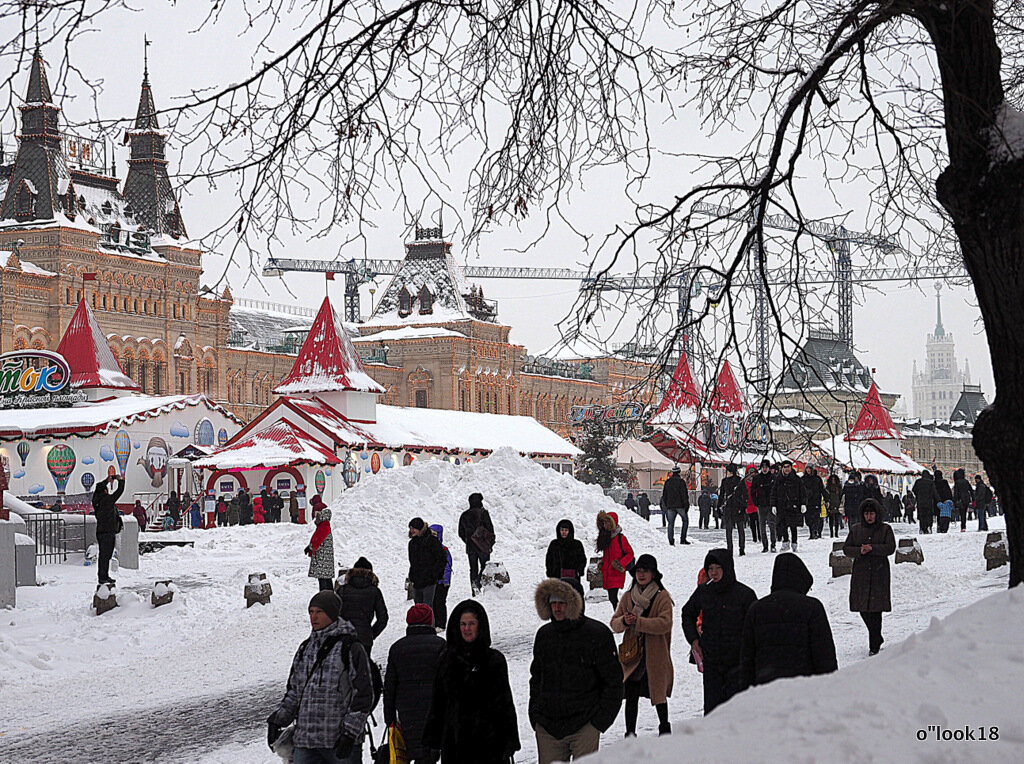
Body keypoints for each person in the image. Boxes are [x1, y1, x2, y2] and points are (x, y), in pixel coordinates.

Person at [267, 591, 374, 764]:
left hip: (338, 741)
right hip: (306, 742)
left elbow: (363, 695)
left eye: (319, 612)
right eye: (311, 612)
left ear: (332, 614)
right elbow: (295, 692)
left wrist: (350, 733)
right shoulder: (305, 649)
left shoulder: (350, 648)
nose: (313, 617)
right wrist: (277, 720)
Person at [530, 578, 623, 762]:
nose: (557, 608)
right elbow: (536, 678)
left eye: (562, 603)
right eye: (553, 603)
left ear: (574, 603)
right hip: (548, 726)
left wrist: (599, 722)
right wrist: (535, 714)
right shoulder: (544, 636)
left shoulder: (596, 634)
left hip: (585, 724)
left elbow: (613, 681)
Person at [423, 600, 520, 763]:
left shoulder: (494, 660)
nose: (467, 629)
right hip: (455, 743)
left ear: (480, 626)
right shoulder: (447, 661)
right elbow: (438, 701)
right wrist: (432, 741)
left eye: (471, 624)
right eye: (463, 624)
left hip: (490, 743)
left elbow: (504, 703)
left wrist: (510, 741)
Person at [739, 553, 837, 689]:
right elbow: (824, 655)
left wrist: (746, 691)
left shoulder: (756, 609)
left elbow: (747, 657)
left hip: (765, 688)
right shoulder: (812, 607)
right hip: (804, 687)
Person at [680, 549, 756, 714]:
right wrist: (694, 640)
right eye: (710, 568)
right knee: (713, 711)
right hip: (712, 661)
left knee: (736, 711)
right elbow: (687, 613)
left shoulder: (744, 594)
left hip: (737, 663)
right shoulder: (704, 591)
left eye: (717, 568)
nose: (713, 573)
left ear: (727, 568)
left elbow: (754, 627)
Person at [610, 554, 674, 737]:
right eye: (638, 571)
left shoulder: (662, 597)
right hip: (633, 654)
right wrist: (624, 620)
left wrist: (638, 622)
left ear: (653, 574)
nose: (641, 574)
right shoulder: (628, 597)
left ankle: (664, 727)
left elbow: (665, 624)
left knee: (658, 693)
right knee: (631, 693)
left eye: (645, 571)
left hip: (656, 653)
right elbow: (614, 624)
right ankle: (630, 732)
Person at [384, 604, 446, 764]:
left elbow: (390, 686)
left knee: (412, 750)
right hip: (433, 710)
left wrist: (389, 717)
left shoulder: (397, 648)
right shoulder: (440, 645)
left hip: (407, 711)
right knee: (429, 754)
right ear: (430, 621)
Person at [843, 499, 896, 656]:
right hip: (862, 572)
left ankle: (874, 643)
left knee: (876, 609)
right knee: (863, 608)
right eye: (866, 514)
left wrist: (873, 548)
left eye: (872, 513)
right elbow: (847, 548)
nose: (869, 517)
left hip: (879, 572)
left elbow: (890, 547)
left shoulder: (885, 529)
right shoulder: (856, 529)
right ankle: (877, 637)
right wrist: (860, 550)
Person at [334, 556, 389, 659]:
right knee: (362, 670)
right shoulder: (374, 591)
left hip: (343, 636)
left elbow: (333, 614)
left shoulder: (342, 590)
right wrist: (371, 633)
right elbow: (383, 618)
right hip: (364, 638)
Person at [545, 519, 587, 611]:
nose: (564, 532)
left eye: (566, 530)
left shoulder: (577, 544)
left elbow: (582, 559)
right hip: (557, 577)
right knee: (558, 600)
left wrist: (580, 571)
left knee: (573, 599)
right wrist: (550, 572)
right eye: (562, 530)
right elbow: (549, 559)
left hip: (573, 578)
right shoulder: (554, 544)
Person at [457, 493, 495, 595]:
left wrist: (469, 540)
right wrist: (489, 543)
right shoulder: (483, 513)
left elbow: (460, 533)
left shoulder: (464, 515)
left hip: (470, 547)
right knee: (485, 566)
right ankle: (482, 584)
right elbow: (490, 530)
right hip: (483, 546)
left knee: (473, 568)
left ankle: (474, 588)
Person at [92, 472, 125, 585]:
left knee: (103, 555)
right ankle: (103, 577)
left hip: (101, 531)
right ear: (105, 491)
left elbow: (98, 487)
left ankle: (103, 576)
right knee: (106, 556)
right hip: (108, 532)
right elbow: (119, 492)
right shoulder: (107, 500)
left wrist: (107, 480)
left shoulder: (96, 500)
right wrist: (121, 480)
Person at [596, 510, 634, 608]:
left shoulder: (620, 538)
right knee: (612, 598)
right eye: (604, 522)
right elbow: (607, 555)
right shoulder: (606, 537)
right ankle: (620, 616)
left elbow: (630, 554)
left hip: (616, 572)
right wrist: (603, 563)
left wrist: (620, 564)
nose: (605, 525)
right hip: (608, 572)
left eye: (607, 522)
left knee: (613, 597)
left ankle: (620, 616)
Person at [408, 517, 446, 607]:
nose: (411, 530)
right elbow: (412, 562)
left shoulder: (432, 541)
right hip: (417, 581)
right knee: (418, 609)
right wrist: (412, 575)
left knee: (427, 608)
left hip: (429, 581)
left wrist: (434, 574)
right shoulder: (412, 543)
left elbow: (441, 558)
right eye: (410, 528)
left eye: (414, 528)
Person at [770, 460, 805, 552]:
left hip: (793, 505)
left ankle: (794, 543)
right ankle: (785, 542)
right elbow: (773, 493)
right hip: (781, 506)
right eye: (785, 467)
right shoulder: (778, 480)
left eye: (788, 467)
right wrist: (773, 505)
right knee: (782, 526)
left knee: (793, 526)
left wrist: (803, 504)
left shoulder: (797, 479)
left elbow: (802, 492)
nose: (787, 469)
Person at [718, 464, 748, 557]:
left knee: (738, 529)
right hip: (731, 507)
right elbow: (722, 495)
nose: (726, 473)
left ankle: (740, 548)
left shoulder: (739, 481)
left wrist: (743, 506)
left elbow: (745, 494)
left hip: (737, 507)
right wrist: (719, 507)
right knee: (730, 530)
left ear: (731, 472)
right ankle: (731, 549)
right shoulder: (725, 481)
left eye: (727, 471)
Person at [306, 502, 335, 591]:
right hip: (325, 558)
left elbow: (317, 540)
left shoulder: (323, 526)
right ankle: (329, 595)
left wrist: (309, 547)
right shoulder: (325, 525)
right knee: (326, 578)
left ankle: (325, 596)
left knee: (323, 579)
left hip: (322, 558)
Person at [750, 459, 776, 552]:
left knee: (772, 525)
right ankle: (765, 545)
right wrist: (755, 502)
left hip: (770, 504)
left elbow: (777, 491)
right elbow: (752, 491)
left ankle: (773, 544)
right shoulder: (757, 478)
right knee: (762, 526)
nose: (765, 469)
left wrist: (775, 503)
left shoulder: (773, 477)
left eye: (766, 467)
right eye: (763, 467)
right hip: (761, 504)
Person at [660, 465, 690, 545]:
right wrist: (686, 505)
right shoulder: (681, 482)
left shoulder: (667, 482)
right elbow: (684, 495)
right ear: (679, 472)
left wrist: (666, 505)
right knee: (685, 521)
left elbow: (664, 495)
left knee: (670, 523)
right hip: (680, 505)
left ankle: (671, 540)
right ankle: (683, 539)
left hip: (670, 506)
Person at [431, 524, 453, 630]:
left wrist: (446, 579)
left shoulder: (443, 549)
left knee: (440, 602)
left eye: (435, 534)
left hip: (442, 581)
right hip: (431, 581)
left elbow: (448, 566)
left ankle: (441, 624)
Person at [802, 465, 825, 540]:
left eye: (810, 469)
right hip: (807, 502)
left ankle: (815, 532)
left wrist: (826, 499)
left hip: (816, 501)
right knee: (808, 519)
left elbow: (822, 489)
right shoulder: (803, 479)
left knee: (816, 518)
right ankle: (811, 532)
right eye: (807, 469)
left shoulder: (817, 479)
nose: (808, 470)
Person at [953, 468, 974, 533]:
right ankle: (963, 526)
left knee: (961, 513)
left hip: (960, 499)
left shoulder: (957, 482)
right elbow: (971, 490)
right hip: (966, 499)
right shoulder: (966, 481)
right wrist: (973, 499)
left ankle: (963, 526)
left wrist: (955, 500)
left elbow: (956, 492)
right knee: (964, 513)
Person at [743, 465, 759, 545]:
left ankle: (760, 536)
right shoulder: (745, 482)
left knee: (759, 522)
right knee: (752, 522)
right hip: (749, 504)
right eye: (750, 472)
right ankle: (754, 537)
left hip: (758, 503)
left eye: (753, 472)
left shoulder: (759, 480)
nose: (752, 474)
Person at [826, 474, 843, 538]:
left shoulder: (838, 487)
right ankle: (831, 533)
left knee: (837, 520)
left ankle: (836, 533)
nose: (833, 481)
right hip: (831, 504)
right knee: (831, 520)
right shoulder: (828, 487)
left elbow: (841, 495)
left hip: (837, 503)